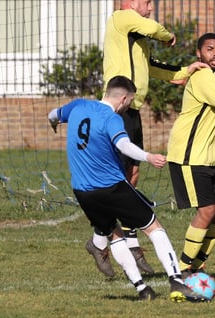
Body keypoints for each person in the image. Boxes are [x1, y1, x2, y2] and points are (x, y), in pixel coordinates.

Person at [48, 76, 204, 302]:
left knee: (114, 234)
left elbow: (53, 114)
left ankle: (142, 289)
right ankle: (177, 281)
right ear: (122, 99)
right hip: (112, 187)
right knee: (153, 226)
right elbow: (123, 145)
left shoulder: (78, 105)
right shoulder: (111, 118)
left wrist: (54, 123)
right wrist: (148, 156)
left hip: (83, 192)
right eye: (129, 103)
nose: (128, 107)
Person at [86, 0, 206, 277]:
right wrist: (169, 35)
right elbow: (154, 28)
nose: (151, 8)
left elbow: (151, 65)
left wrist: (183, 73)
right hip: (116, 111)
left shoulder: (136, 39)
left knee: (130, 177)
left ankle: (105, 241)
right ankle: (121, 242)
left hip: (132, 111)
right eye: (149, 2)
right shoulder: (121, 18)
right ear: (132, 3)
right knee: (116, 181)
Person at [167, 33, 215, 276]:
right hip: (189, 155)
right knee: (207, 210)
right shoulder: (203, 76)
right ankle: (183, 267)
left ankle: (198, 264)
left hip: (208, 157)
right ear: (199, 54)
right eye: (210, 49)